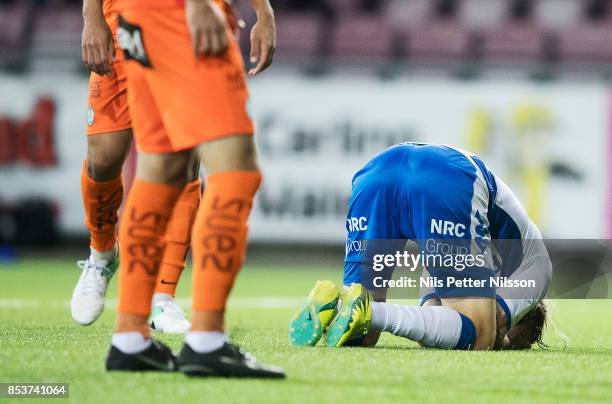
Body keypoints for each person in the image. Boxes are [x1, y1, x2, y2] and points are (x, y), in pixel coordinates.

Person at [105, 0, 284, 378]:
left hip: (138, 15)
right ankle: (207, 340)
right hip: (179, 13)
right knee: (235, 172)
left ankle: (130, 339)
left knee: (162, 169)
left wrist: (263, 11)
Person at [290, 142, 552, 351]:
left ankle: (334, 305)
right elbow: (491, 326)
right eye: (510, 340)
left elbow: (433, 324)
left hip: (378, 172)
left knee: (361, 336)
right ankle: (365, 309)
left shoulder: (476, 257)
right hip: (447, 177)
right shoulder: (537, 268)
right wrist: (492, 336)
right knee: (481, 334)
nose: (503, 341)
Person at [70, 0, 197, 334]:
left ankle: (163, 296)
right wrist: (91, 16)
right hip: (121, 27)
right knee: (103, 161)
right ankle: (102, 254)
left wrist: (263, 11)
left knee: (183, 161)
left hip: (183, 32)